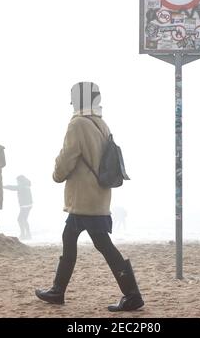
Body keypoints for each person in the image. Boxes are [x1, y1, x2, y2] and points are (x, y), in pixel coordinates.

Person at [35, 82, 144, 311]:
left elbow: (67, 157)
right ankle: (58, 291)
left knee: (101, 244)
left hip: (83, 199)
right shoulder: (100, 123)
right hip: (99, 196)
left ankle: (132, 295)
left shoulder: (77, 124)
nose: (72, 103)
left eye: (74, 98)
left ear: (78, 100)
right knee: (76, 239)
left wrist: (56, 174)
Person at [3, 175, 33, 240]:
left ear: (20, 181)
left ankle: (24, 234)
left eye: (17, 181)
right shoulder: (26, 185)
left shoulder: (22, 186)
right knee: (24, 219)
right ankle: (27, 234)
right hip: (27, 205)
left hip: (25, 206)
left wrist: (4, 186)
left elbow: (13, 188)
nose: (17, 182)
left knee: (20, 219)